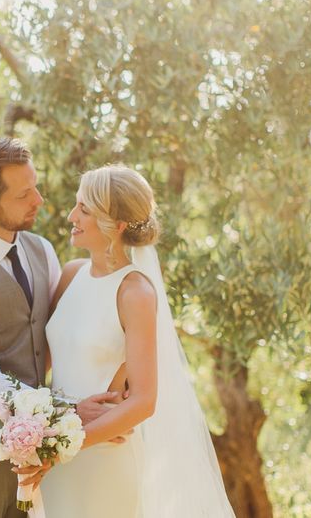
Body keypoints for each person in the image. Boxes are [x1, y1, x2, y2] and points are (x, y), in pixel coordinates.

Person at [0, 137, 124, 518]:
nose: (39, 201)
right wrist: (71, 414)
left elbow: (65, 335)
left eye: (36, 187)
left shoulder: (42, 251)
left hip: (37, 457)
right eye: (23, 195)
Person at [34, 165, 235, 517]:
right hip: (53, 455)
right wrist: (46, 429)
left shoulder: (135, 292)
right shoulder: (70, 274)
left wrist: (65, 444)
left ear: (117, 225)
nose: (71, 216)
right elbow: (45, 364)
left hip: (101, 460)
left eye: (84, 209)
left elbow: (143, 400)